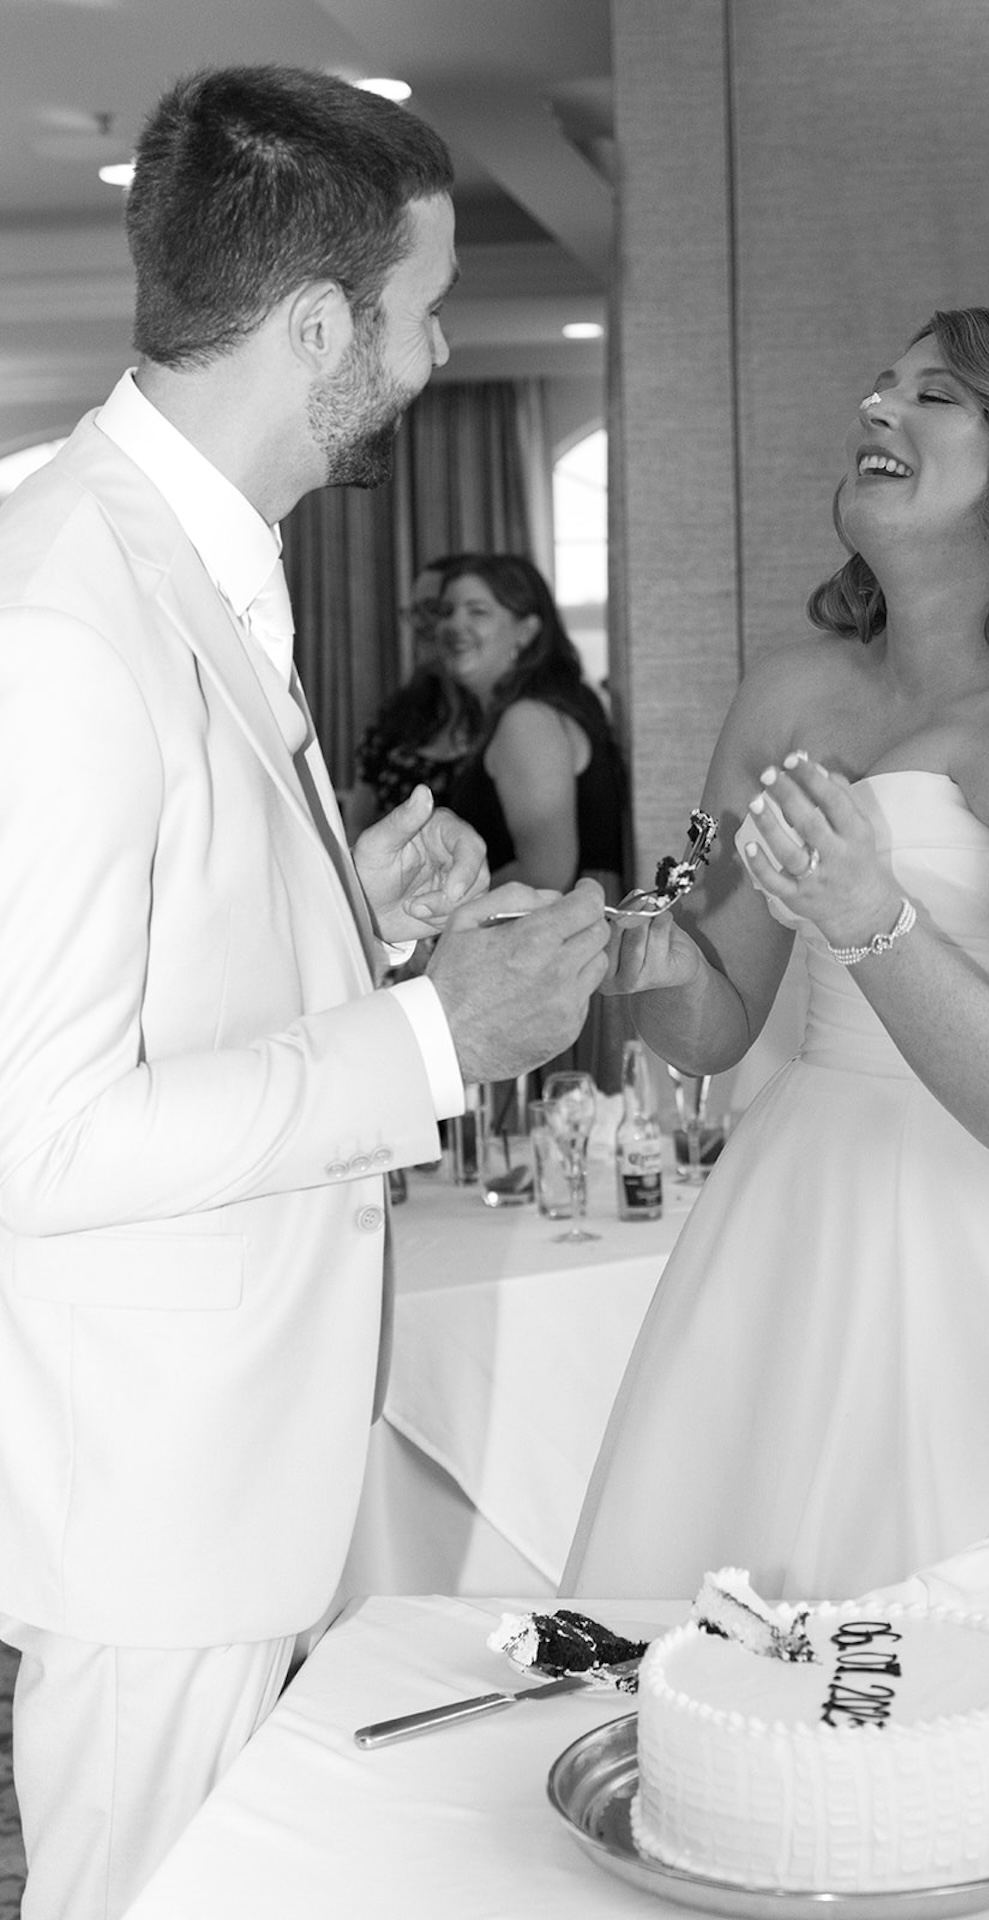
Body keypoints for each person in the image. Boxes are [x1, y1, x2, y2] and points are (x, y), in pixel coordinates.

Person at [0, 65, 610, 1920]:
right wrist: (435, 1038)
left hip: (234, 1455)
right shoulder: (61, 610)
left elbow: (167, 970)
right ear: (320, 326)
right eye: (423, 311)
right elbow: (38, 1136)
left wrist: (356, 915)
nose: (436, 355)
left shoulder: (187, 554)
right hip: (152, 1490)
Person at [562, 307, 989, 1609]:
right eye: (881, 385)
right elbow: (714, 1024)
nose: (875, 407)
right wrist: (635, 960)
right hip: (797, 1209)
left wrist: (869, 920)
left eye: (933, 396)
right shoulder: (790, 693)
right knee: (728, 1635)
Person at [433, 551, 630, 1087]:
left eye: (478, 611)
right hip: (562, 947)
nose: (454, 625)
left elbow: (547, 872)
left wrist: (443, 920)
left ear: (526, 630)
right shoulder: (533, 711)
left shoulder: (527, 720)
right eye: (447, 611)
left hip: (554, 954)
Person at [348, 557, 475, 831]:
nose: (418, 624)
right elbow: (356, 829)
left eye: (433, 609)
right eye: (413, 612)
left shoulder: (512, 723)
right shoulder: (394, 719)